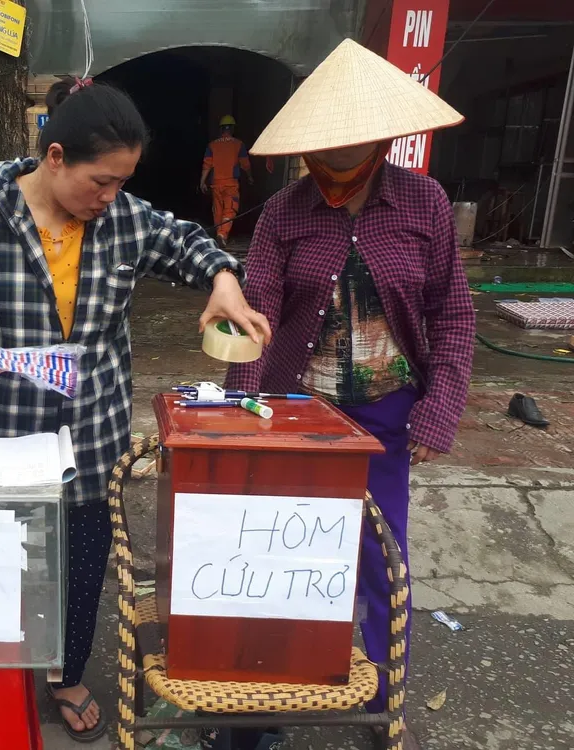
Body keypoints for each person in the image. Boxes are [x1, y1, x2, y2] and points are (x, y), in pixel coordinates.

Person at [0, 76, 270, 745]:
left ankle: (65, 674)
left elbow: (189, 242)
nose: (110, 197)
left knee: (80, 564)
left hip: (91, 434)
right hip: (0, 431)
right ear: (54, 159)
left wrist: (223, 280)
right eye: (101, 181)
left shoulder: (124, 220)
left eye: (122, 183)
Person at [223, 39, 473, 750]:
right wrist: (246, 410)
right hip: (294, 410)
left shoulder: (424, 203)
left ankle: (382, 703)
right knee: (278, 562)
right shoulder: (283, 213)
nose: (334, 154)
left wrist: (440, 405)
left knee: (379, 556)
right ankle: (258, 712)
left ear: (382, 134)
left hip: (388, 415)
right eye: (323, 141)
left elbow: (453, 314)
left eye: (349, 138)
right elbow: (256, 314)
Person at [199, 114, 253, 248]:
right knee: (230, 210)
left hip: (216, 184)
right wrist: (250, 176)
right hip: (231, 184)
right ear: (232, 128)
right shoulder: (238, 144)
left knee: (218, 210)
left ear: (221, 129)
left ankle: (220, 236)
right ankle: (222, 235)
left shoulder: (212, 145)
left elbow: (207, 165)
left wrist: (202, 182)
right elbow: (245, 164)